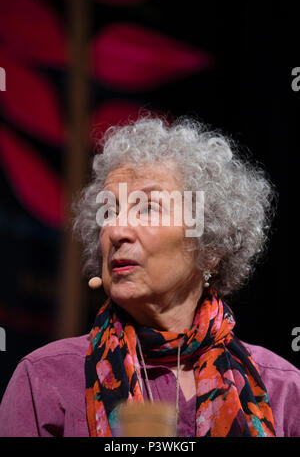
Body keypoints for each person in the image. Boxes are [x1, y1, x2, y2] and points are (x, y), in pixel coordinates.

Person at [0, 116, 299, 437]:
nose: (116, 229)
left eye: (148, 208)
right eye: (110, 212)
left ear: (211, 247)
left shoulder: (283, 388)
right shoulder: (46, 380)